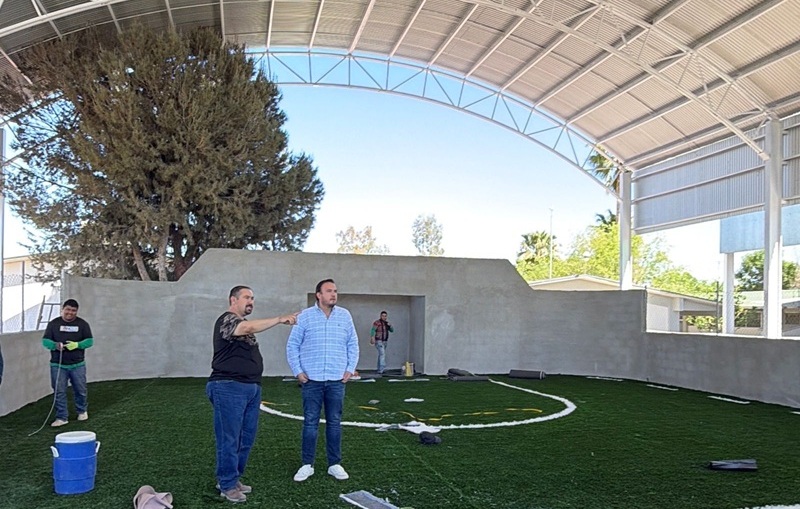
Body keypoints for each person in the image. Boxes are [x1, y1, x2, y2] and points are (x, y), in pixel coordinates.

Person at [207, 285, 298, 503]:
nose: (251, 301)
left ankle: (233, 477)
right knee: (229, 438)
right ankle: (227, 484)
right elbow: (246, 328)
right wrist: (279, 319)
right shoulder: (227, 320)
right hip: (228, 386)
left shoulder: (243, 324)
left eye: (253, 298)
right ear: (233, 300)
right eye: (247, 297)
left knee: (245, 438)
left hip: (251, 387)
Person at [286, 278, 359, 482]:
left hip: (337, 380)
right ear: (318, 295)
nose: (333, 294)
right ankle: (307, 464)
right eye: (329, 291)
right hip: (312, 380)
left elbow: (353, 343)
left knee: (334, 422)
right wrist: (298, 371)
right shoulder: (305, 316)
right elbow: (292, 345)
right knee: (310, 422)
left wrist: (350, 369)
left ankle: (334, 464)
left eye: (335, 291)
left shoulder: (345, 315)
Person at [42, 299, 94, 427]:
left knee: (80, 390)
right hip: (58, 365)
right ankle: (62, 417)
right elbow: (45, 341)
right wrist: (55, 345)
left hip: (78, 364)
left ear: (77, 311)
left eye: (73, 310)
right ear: (62, 309)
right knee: (59, 391)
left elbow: (89, 341)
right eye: (68, 309)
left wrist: (78, 345)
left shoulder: (83, 324)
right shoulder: (53, 324)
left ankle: (82, 411)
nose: (70, 312)